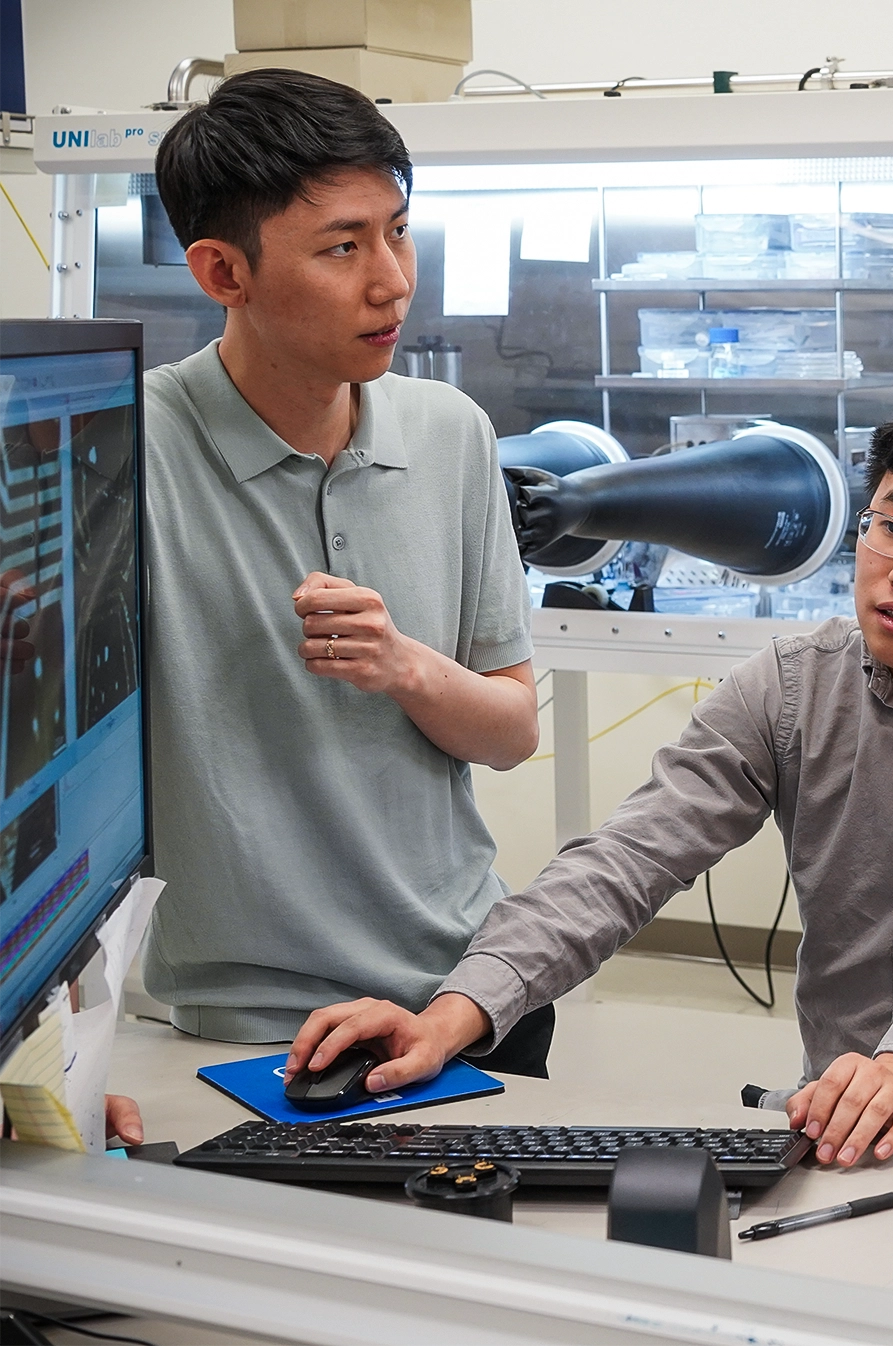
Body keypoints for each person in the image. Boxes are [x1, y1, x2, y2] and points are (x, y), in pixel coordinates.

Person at [287, 390, 893, 1167]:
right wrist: (454, 1014)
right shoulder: (793, 684)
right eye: (892, 526)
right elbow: (627, 862)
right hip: (845, 1141)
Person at [138, 69, 545, 1068]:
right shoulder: (129, 448)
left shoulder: (451, 431)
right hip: (255, 1016)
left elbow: (509, 729)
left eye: (397, 231)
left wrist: (403, 664)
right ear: (221, 273)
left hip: (466, 985)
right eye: (342, 247)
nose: (393, 280)